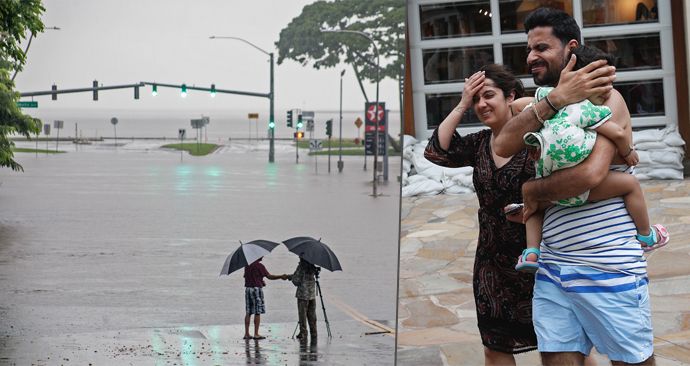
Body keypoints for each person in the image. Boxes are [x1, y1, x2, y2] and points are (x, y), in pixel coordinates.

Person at [492, 7, 656, 365]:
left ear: (570, 48)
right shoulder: (544, 102)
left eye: (541, 48)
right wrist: (555, 100)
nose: (531, 56)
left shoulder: (605, 97)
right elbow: (502, 144)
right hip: (553, 267)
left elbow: (590, 175)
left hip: (607, 265)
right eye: (529, 48)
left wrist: (534, 193)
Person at [513, 44, 669, 272]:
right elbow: (616, 132)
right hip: (579, 185)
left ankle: (532, 252)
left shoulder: (553, 99)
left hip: (548, 173)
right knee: (631, 184)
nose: (609, 89)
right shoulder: (589, 109)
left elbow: (517, 106)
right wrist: (628, 152)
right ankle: (646, 235)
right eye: (603, 82)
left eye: (610, 81)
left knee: (533, 208)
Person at [424, 64, 539, 366]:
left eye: (488, 95)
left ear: (510, 96)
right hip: (492, 264)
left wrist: (537, 208)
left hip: (538, 258)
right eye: (476, 99)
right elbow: (436, 151)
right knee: (495, 347)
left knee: (563, 345)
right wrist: (462, 103)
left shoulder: (538, 137)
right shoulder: (479, 144)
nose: (481, 104)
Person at [243, 257, 288, 340]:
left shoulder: (247, 265)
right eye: (261, 255)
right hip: (256, 290)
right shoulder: (260, 266)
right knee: (257, 311)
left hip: (248, 289)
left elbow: (246, 277)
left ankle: (246, 334)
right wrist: (281, 276)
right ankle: (256, 334)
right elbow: (269, 276)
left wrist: (260, 280)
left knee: (248, 312)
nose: (263, 256)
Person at [288, 258, 319, 341]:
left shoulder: (301, 266)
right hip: (312, 294)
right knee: (312, 314)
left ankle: (303, 333)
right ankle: (314, 332)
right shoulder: (312, 266)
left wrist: (291, 277)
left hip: (303, 295)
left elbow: (296, 281)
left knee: (302, 315)